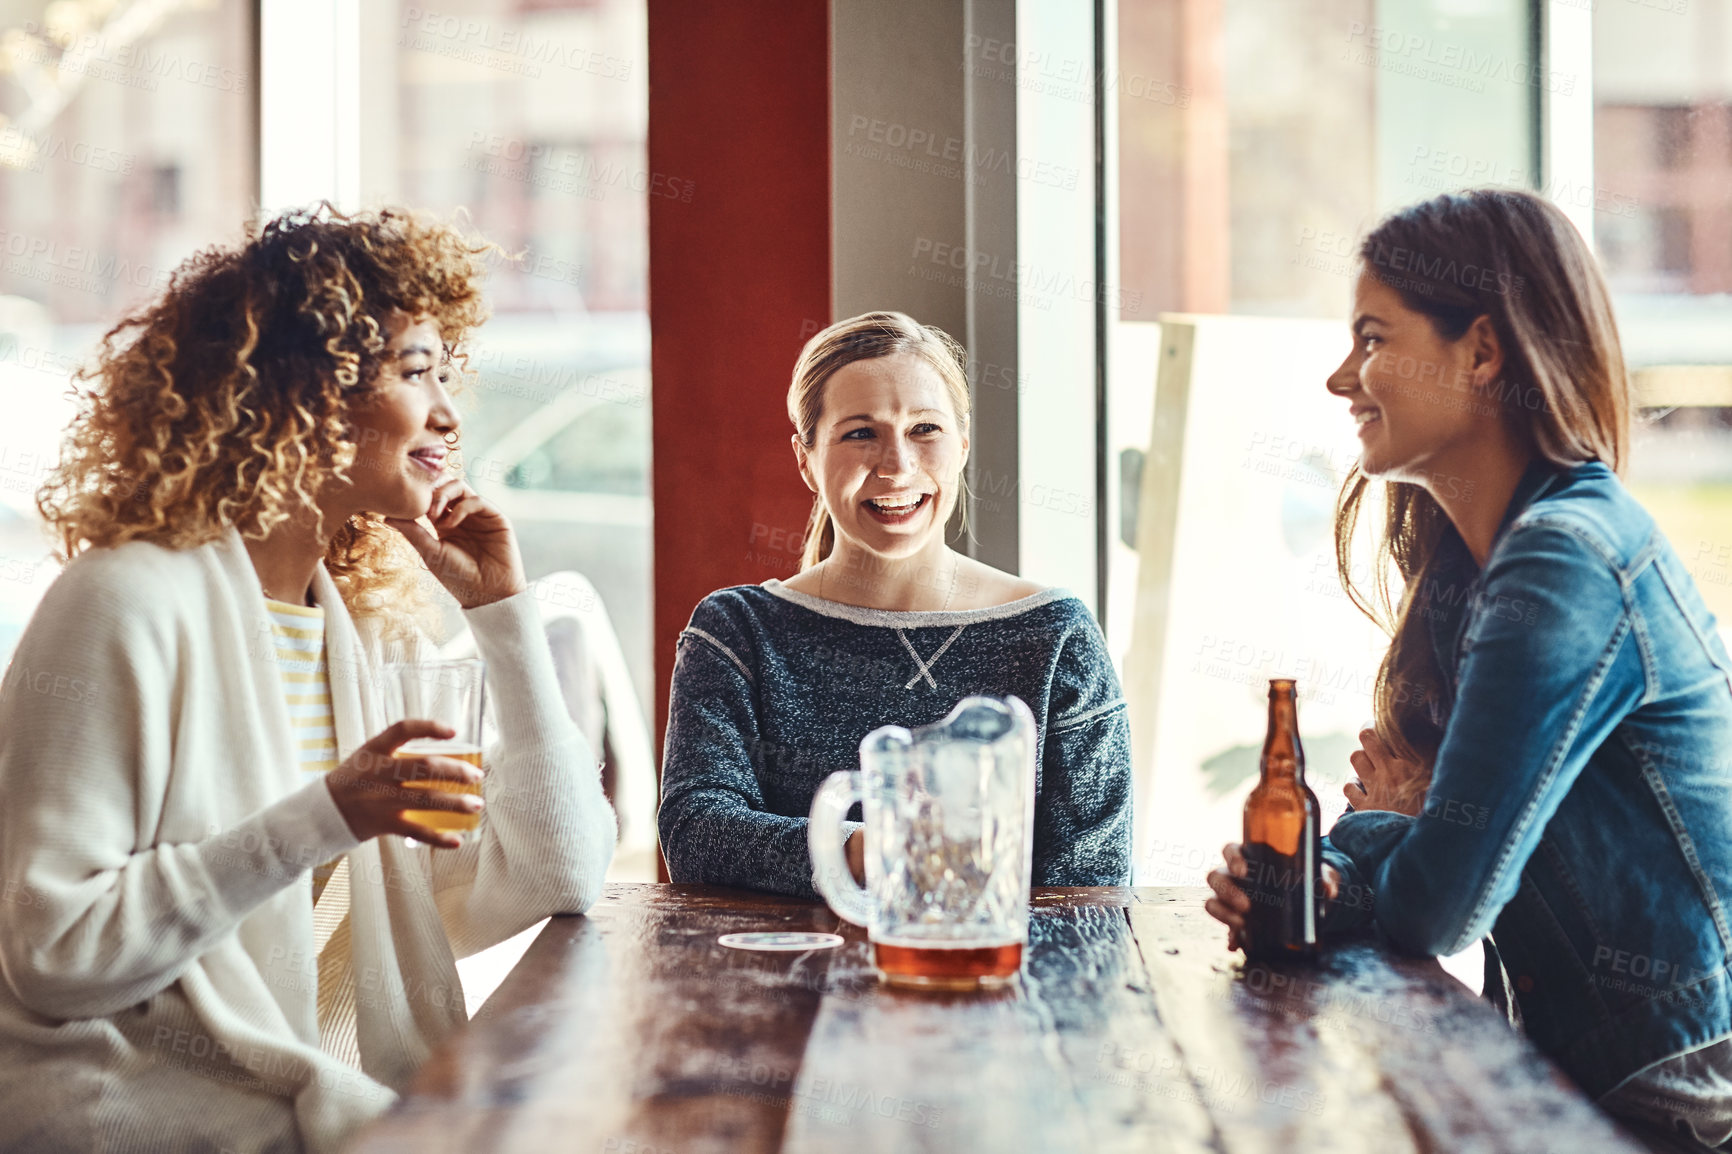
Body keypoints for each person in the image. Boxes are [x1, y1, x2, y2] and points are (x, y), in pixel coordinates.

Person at [0, 206, 616, 1153]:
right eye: (417, 372)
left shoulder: (353, 632)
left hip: (288, 1090)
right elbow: (55, 952)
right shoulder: (120, 600)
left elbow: (563, 873)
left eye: (448, 375)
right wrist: (328, 814)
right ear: (305, 391)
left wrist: (505, 619)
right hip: (121, 1100)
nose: (449, 413)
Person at [1203, 189, 1732, 1153]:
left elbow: (1438, 905)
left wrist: (1377, 836)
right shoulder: (1486, 564)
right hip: (1582, 1063)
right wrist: (1333, 873)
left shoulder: (1565, 559)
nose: (1339, 378)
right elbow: (1431, 856)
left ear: (1483, 352)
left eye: (1371, 338)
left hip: (1678, 1091)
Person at [657, 310, 1131, 895]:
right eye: (860, 433)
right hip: (786, 981)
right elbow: (696, 834)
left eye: (924, 430)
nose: (897, 465)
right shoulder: (735, 631)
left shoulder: (1056, 635)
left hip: (993, 979)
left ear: (961, 445)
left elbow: (1092, 885)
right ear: (806, 461)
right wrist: (876, 845)